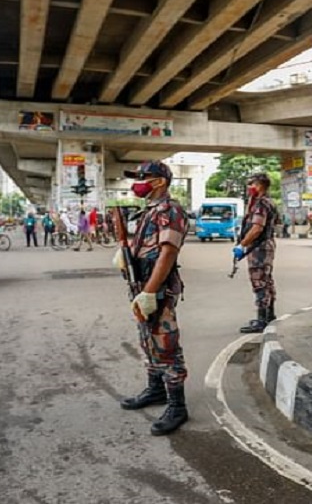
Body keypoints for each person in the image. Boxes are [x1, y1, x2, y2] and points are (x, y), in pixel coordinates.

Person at [115, 160, 189, 436]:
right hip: (142, 284)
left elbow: (168, 253)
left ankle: (177, 406)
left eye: (143, 177)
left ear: (160, 181)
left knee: (166, 345)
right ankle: (156, 389)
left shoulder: (171, 210)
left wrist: (149, 292)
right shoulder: (148, 211)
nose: (138, 182)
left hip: (157, 288)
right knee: (148, 339)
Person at [234, 173, 280, 334]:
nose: (248, 188)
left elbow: (256, 228)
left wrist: (242, 245)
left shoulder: (261, 204)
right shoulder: (267, 202)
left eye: (250, 184)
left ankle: (262, 320)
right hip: (265, 245)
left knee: (259, 281)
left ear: (259, 185)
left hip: (259, 248)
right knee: (267, 280)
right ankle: (269, 315)